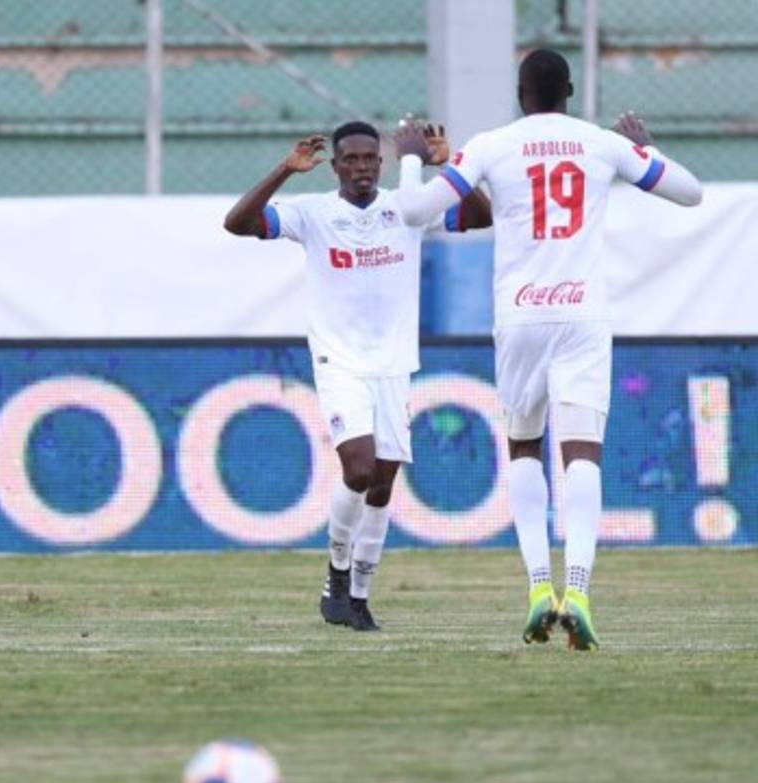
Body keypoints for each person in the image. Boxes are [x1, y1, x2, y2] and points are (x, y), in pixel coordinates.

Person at [393, 49, 703, 650]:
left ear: (519, 92)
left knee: (524, 447)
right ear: (569, 90)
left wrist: (410, 159)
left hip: (521, 314)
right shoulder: (600, 144)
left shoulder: (491, 144)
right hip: (583, 313)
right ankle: (580, 590)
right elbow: (690, 193)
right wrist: (645, 148)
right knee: (582, 452)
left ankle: (540, 586)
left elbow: (414, 212)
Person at [223, 120, 491, 631]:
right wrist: (284, 169)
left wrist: (446, 165)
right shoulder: (313, 214)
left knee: (384, 484)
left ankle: (359, 598)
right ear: (335, 166)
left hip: (393, 364)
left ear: (382, 163)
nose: (362, 167)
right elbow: (237, 223)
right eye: (352, 159)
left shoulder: (406, 208)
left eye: (371, 158)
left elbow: (478, 217)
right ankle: (337, 573)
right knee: (360, 468)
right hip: (339, 360)